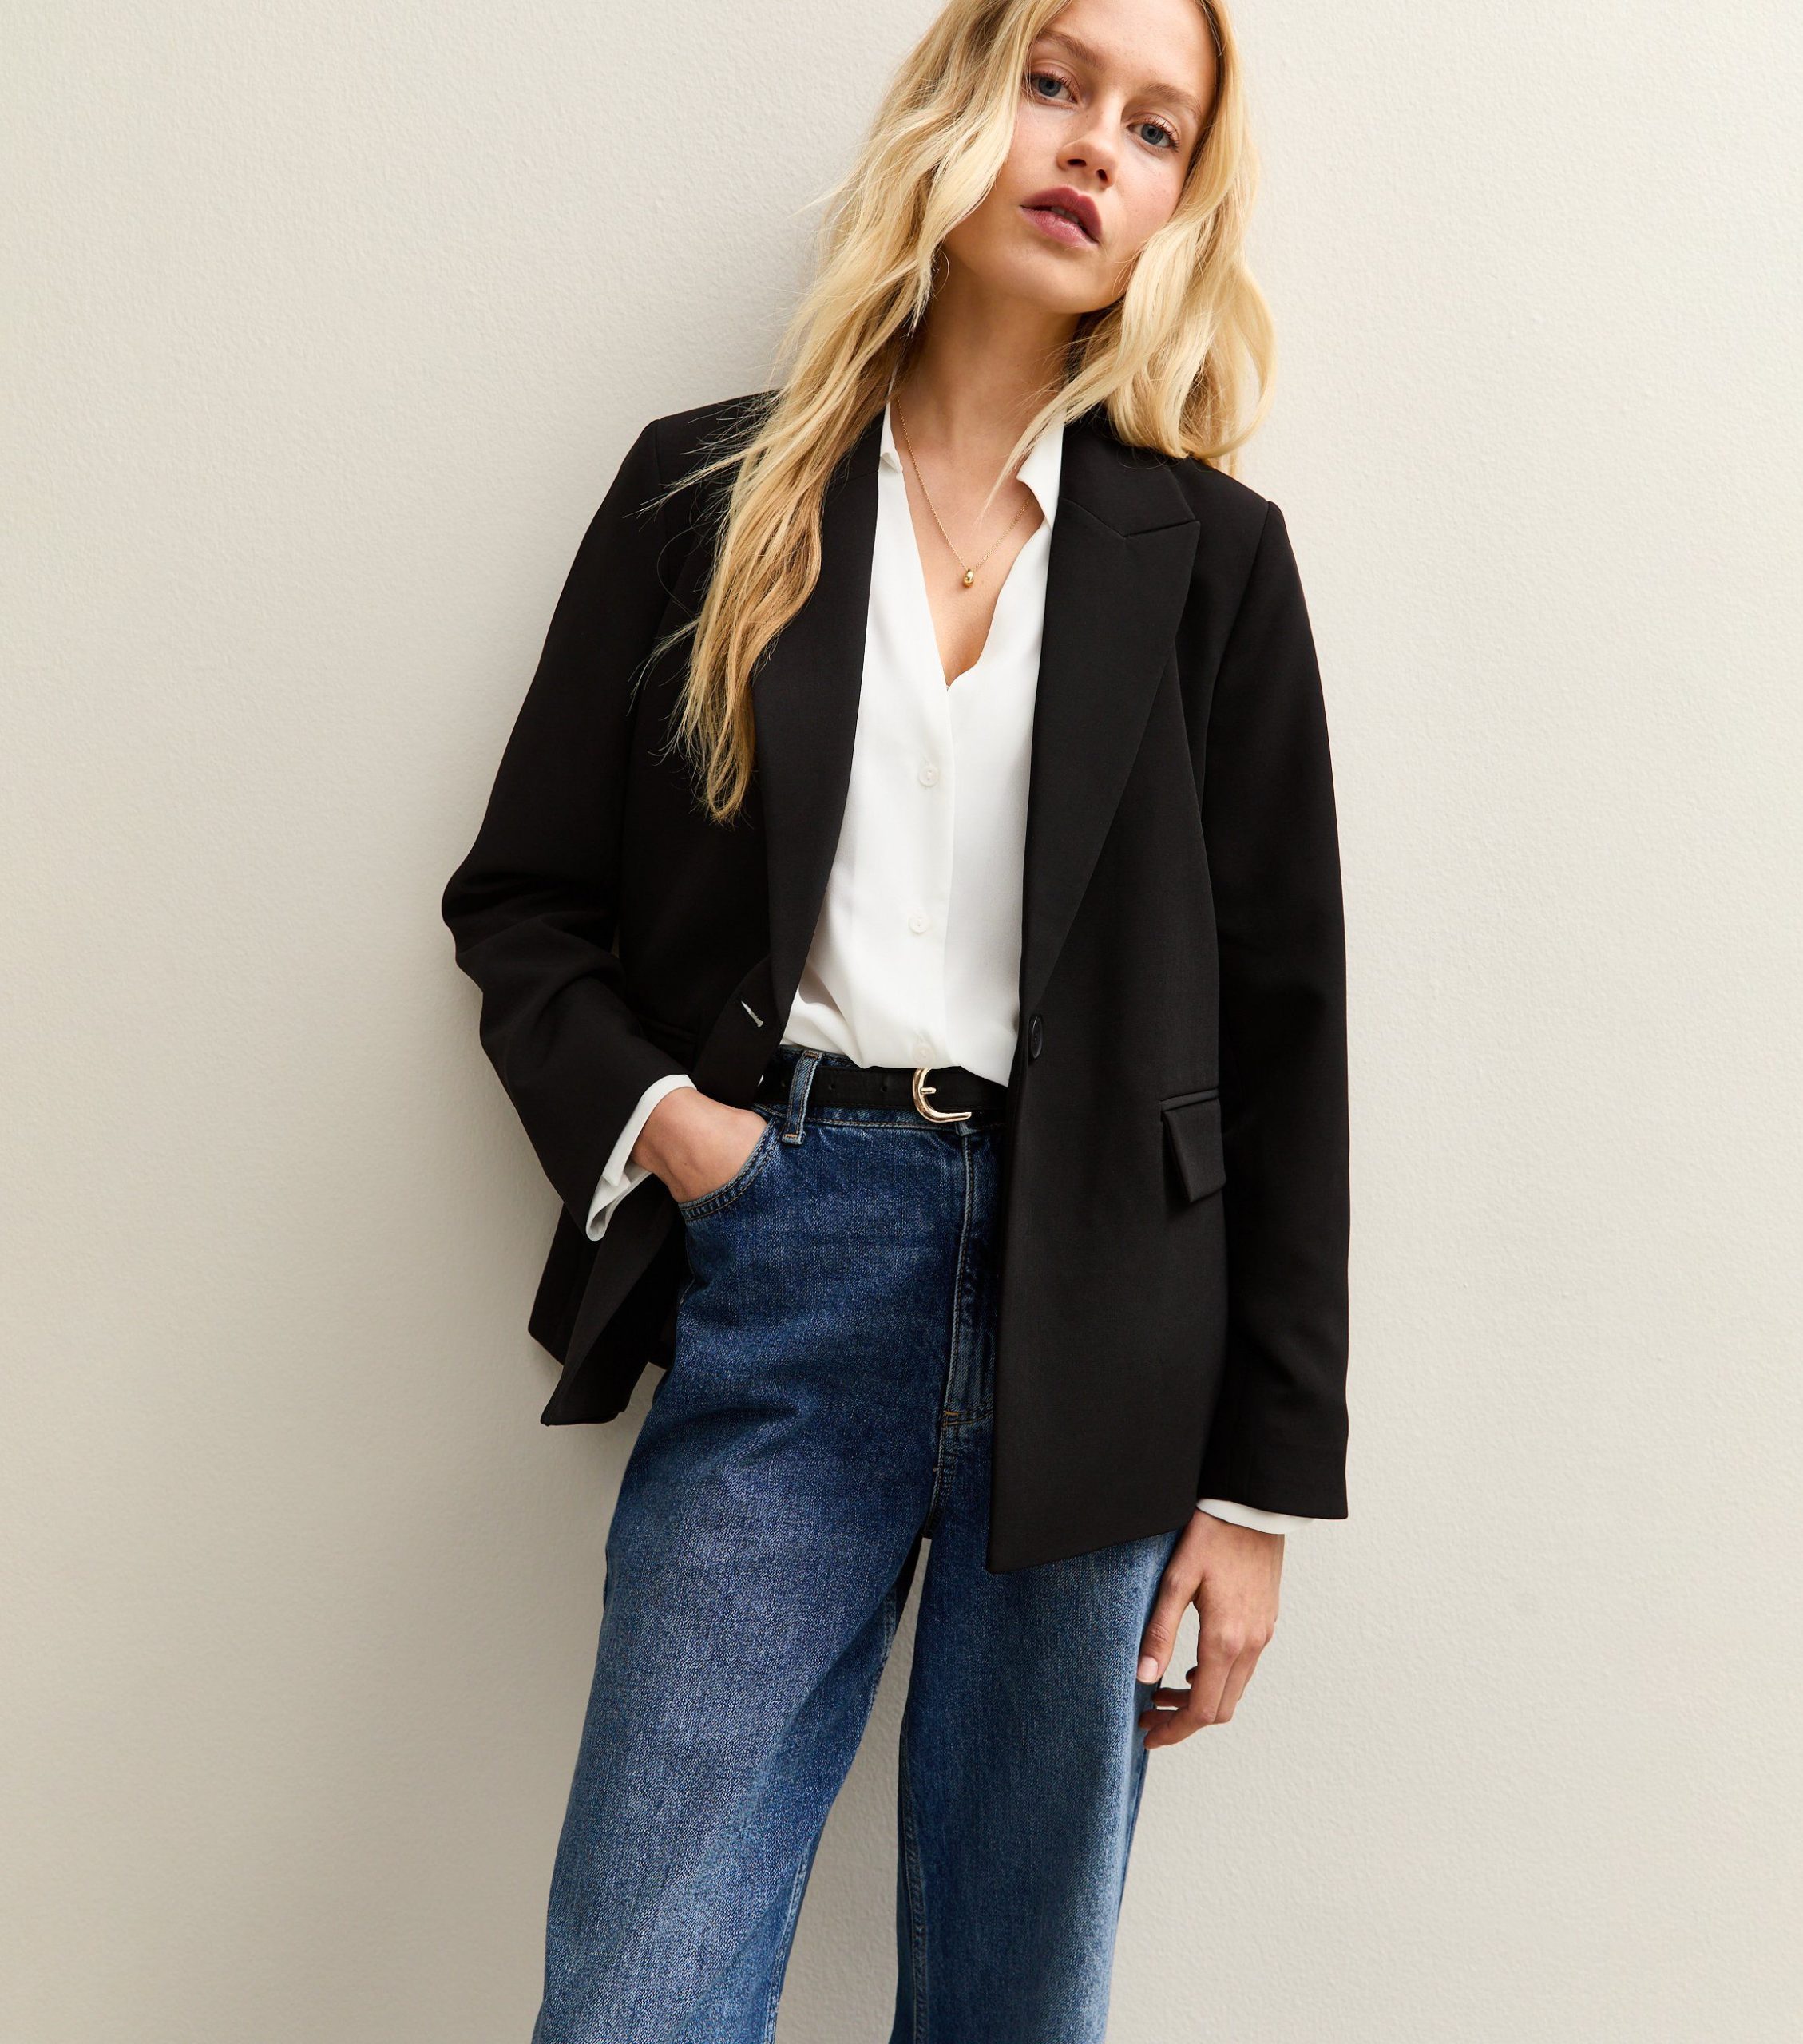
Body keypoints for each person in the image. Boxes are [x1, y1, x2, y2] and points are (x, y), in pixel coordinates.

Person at [439, 0, 1348, 2035]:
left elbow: (1288, 1035)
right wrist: (684, 1134)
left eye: (1155, 127)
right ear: (956, 104)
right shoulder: (708, 493)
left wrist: (1255, 1487)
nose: (1093, 145)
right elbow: (520, 904)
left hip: (1105, 1305)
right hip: (791, 1243)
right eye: (1055, 82)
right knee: (641, 1980)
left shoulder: (1210, 562)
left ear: (1181, 203)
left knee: (1017, 1992)